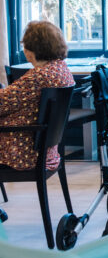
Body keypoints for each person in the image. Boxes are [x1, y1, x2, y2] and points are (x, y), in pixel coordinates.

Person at [0, 21, 74, 171]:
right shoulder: (61, 70)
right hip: (47, 153)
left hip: (21, 153)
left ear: (31, 50)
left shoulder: (38, 77)